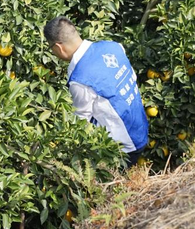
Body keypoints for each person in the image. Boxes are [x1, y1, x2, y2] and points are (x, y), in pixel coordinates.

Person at [44, 17, 149, 167]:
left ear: (58, 47)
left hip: (124, 148)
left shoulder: (80, 78)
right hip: (141, 129)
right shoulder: (113, 46)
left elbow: (80, 122)